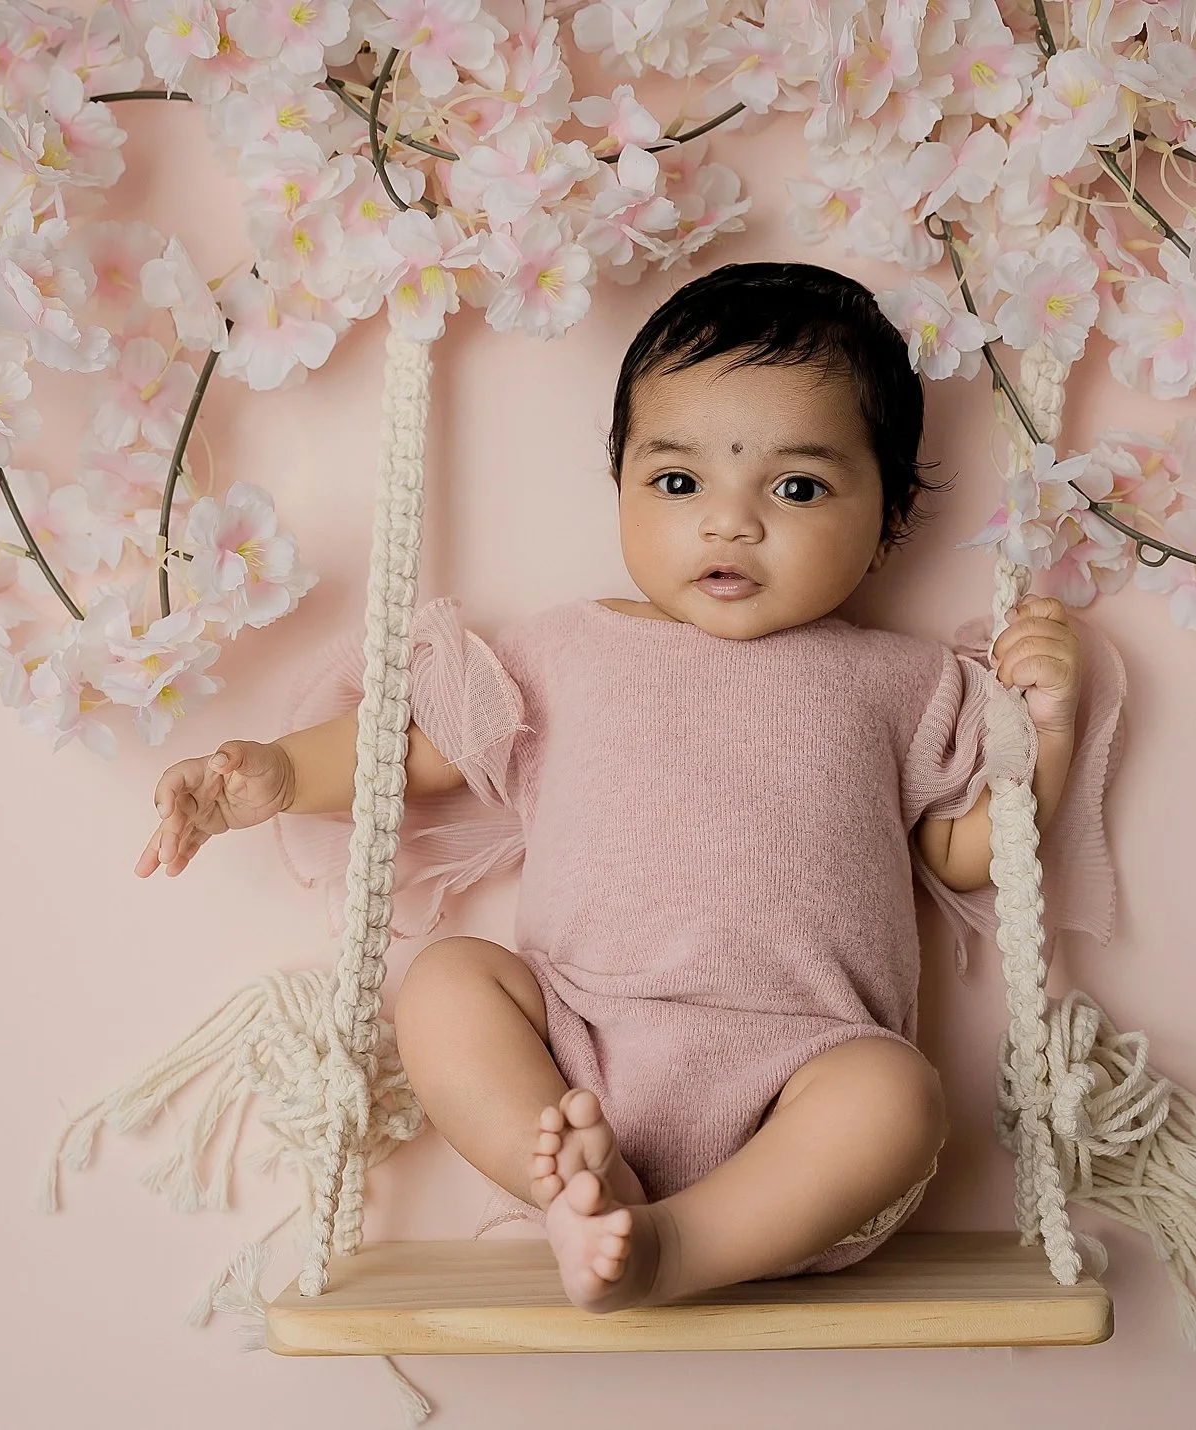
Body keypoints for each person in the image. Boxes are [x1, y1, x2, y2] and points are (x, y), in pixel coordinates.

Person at [134, 261, 1085, 1313]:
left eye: (797, 486)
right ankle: (582, 1193)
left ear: (888, 516)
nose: (729, 523)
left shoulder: (899, 682)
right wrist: (268, 776)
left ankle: (673, 1244)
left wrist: (1041, 727)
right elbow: (412, 748)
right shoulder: (564, 651)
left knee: (898, 1094)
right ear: (621, 483)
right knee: (448, 983)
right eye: (678, 482)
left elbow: (969, 851)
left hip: (803, 1076)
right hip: (578, 1053)